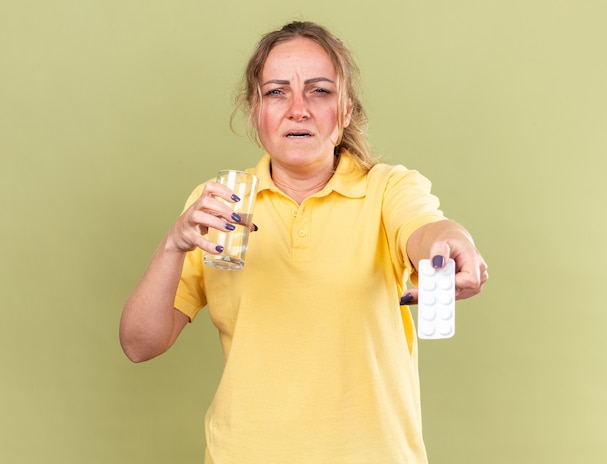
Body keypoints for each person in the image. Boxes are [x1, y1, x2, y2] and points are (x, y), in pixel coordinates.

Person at [120, 20, 488, 464]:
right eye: (277, 91)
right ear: (255, 110)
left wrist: (454, 242)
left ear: (346, 110)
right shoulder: (218, 204)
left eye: (319, 91)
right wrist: (174, 244)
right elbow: (139, 345)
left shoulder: (387, 190)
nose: (298, 108)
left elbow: (427, 229)